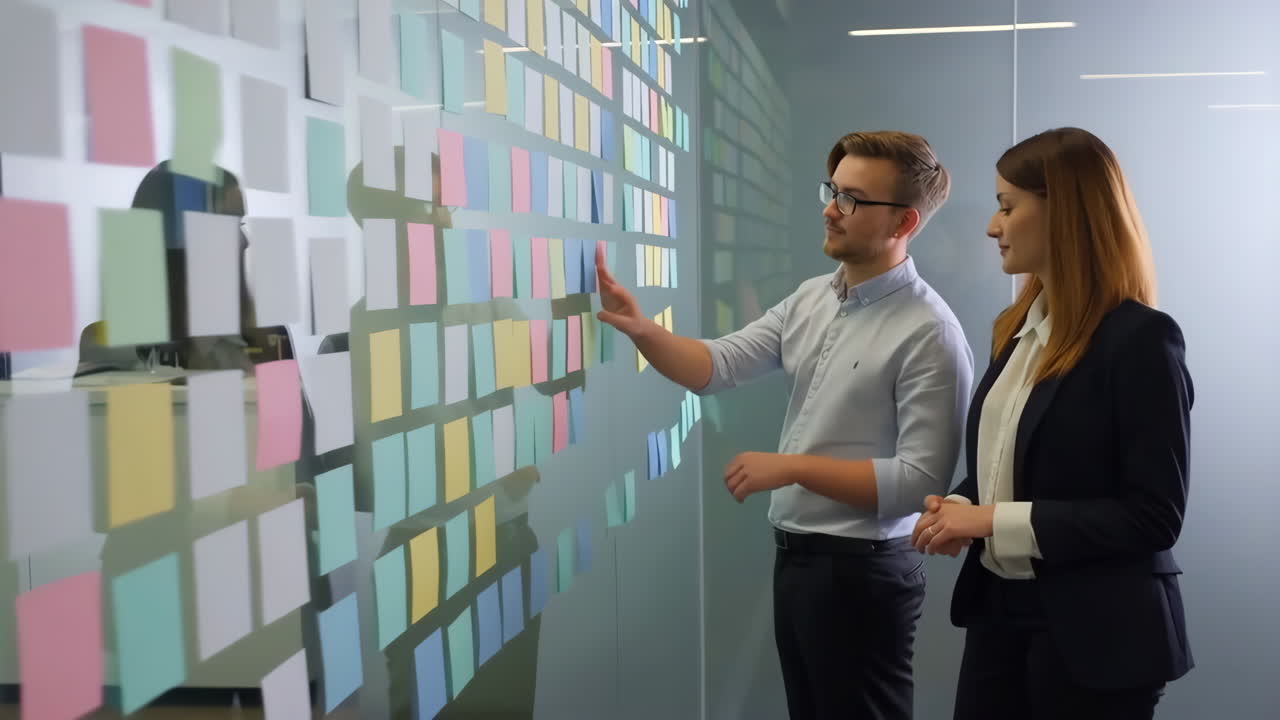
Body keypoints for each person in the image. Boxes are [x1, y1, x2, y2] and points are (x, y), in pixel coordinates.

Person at [597, 131, 973, 719]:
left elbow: (916, 484)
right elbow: (716, 367)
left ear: (903, 223)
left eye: (851, 199)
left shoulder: (930, 331)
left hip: (864, 573)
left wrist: (791, 468)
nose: (830, 208)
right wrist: (645, 331)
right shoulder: (810, 299)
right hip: (799, 561)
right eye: (833, 191)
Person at [911, 127, 1194, 719]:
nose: (993, 227)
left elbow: (1153, 515)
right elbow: (1018, 464)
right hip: (1001, 618)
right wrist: (964, 509)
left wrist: (993, 518)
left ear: (1066, 214)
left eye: (1008, 207)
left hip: (1100, 638)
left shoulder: (1142, 340)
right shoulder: (1014, 329)